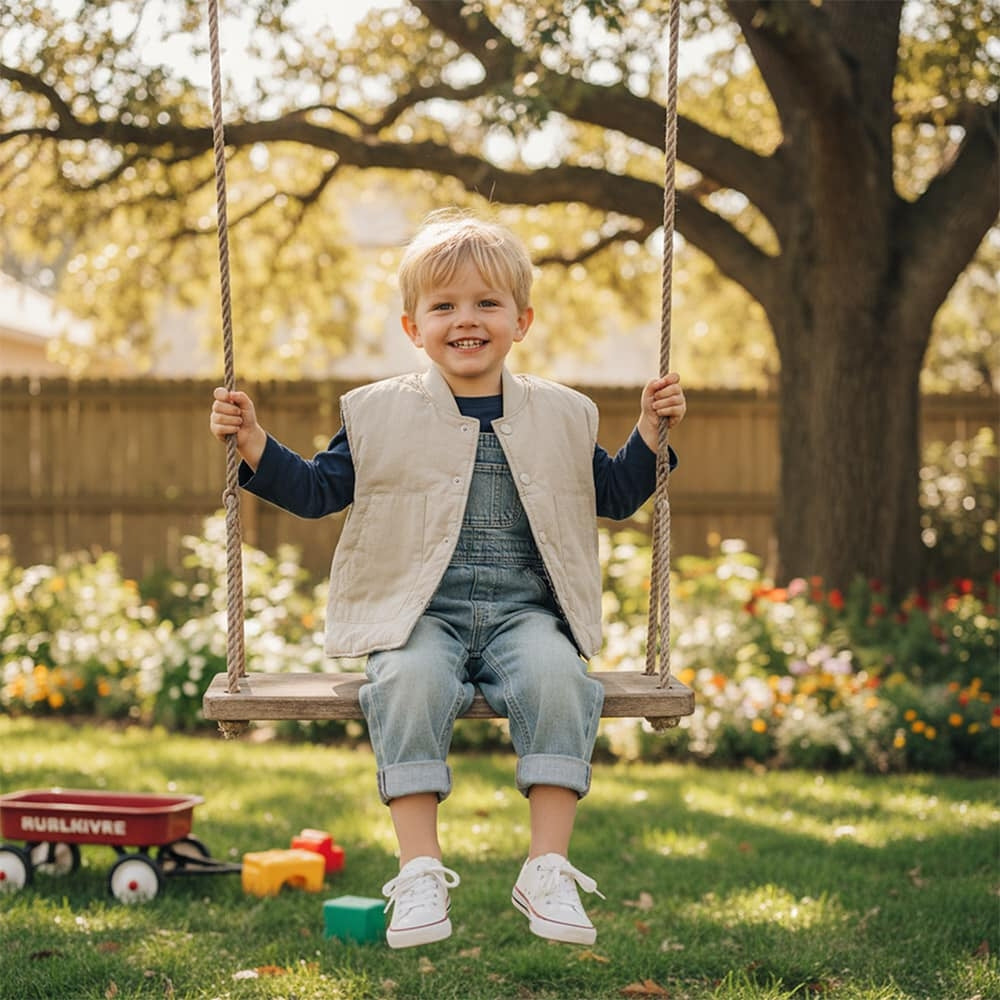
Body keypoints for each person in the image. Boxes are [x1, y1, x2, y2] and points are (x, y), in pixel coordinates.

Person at [209, 209, 686, 950]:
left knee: (562, 677)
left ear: (521, 320)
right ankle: (420, 870)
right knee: (406, 683)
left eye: (487, 304)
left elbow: (618, 494)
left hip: (524, 613)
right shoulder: (376, 413)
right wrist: (252, 442)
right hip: (417, 615)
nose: (467, 320)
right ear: (413, 327)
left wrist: (651, 435)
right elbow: (314, 491)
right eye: (445, 306)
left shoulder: (562, 414)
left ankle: (548, 867)